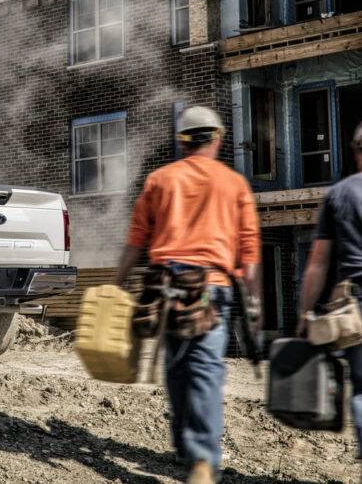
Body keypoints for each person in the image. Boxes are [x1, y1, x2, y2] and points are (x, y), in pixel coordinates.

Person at [114, 106, 262, 484]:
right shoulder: (234, 184)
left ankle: (187, 446)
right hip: (211, 289)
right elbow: (249, 251)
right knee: (205, 367)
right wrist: (255, 299)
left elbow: (136, 240)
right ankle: (200, 459)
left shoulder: (160, 180)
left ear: (182, 141)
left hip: (165, 288)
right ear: (217, 138)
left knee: (177, 366)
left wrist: (118, 282)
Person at [298, 121, 362, 461]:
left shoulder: (339, 195)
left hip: (357, 307)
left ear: (356, 152)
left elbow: (318, 263)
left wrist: (306, 313)